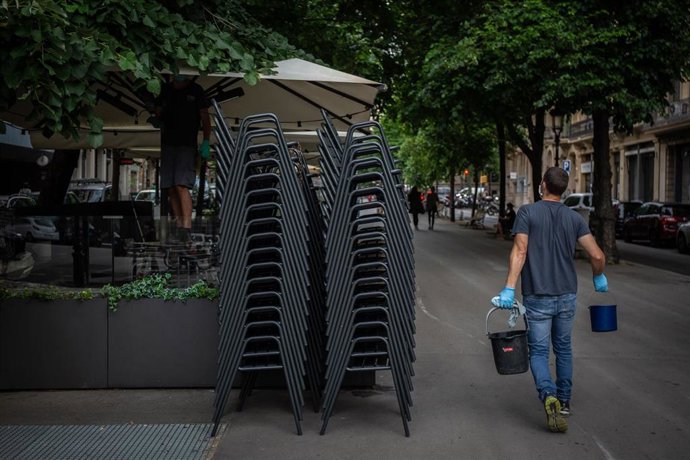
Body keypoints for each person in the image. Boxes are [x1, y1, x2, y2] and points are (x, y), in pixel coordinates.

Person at [494, 167, 608, 433]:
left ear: (542, 184)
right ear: (563, 189)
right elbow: (598, 256)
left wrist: (509, 288)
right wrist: (598, 277)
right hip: (567, 294)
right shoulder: (575, 218)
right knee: (564, 348)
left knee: (539, 352)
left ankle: (549, 395)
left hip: (537, 295)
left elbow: (520, 251)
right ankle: (565, 401)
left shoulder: (527, 213)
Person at [156, 75, 211, 243]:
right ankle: (180, 226)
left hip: (187, 144)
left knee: (181, 185)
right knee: (171, 187)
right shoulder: (165, 89)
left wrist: (206, 141)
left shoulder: (196, 90)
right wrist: (156, 112)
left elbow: (205, 117)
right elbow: (158, 111)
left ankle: (186, 228)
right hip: (168, 144)